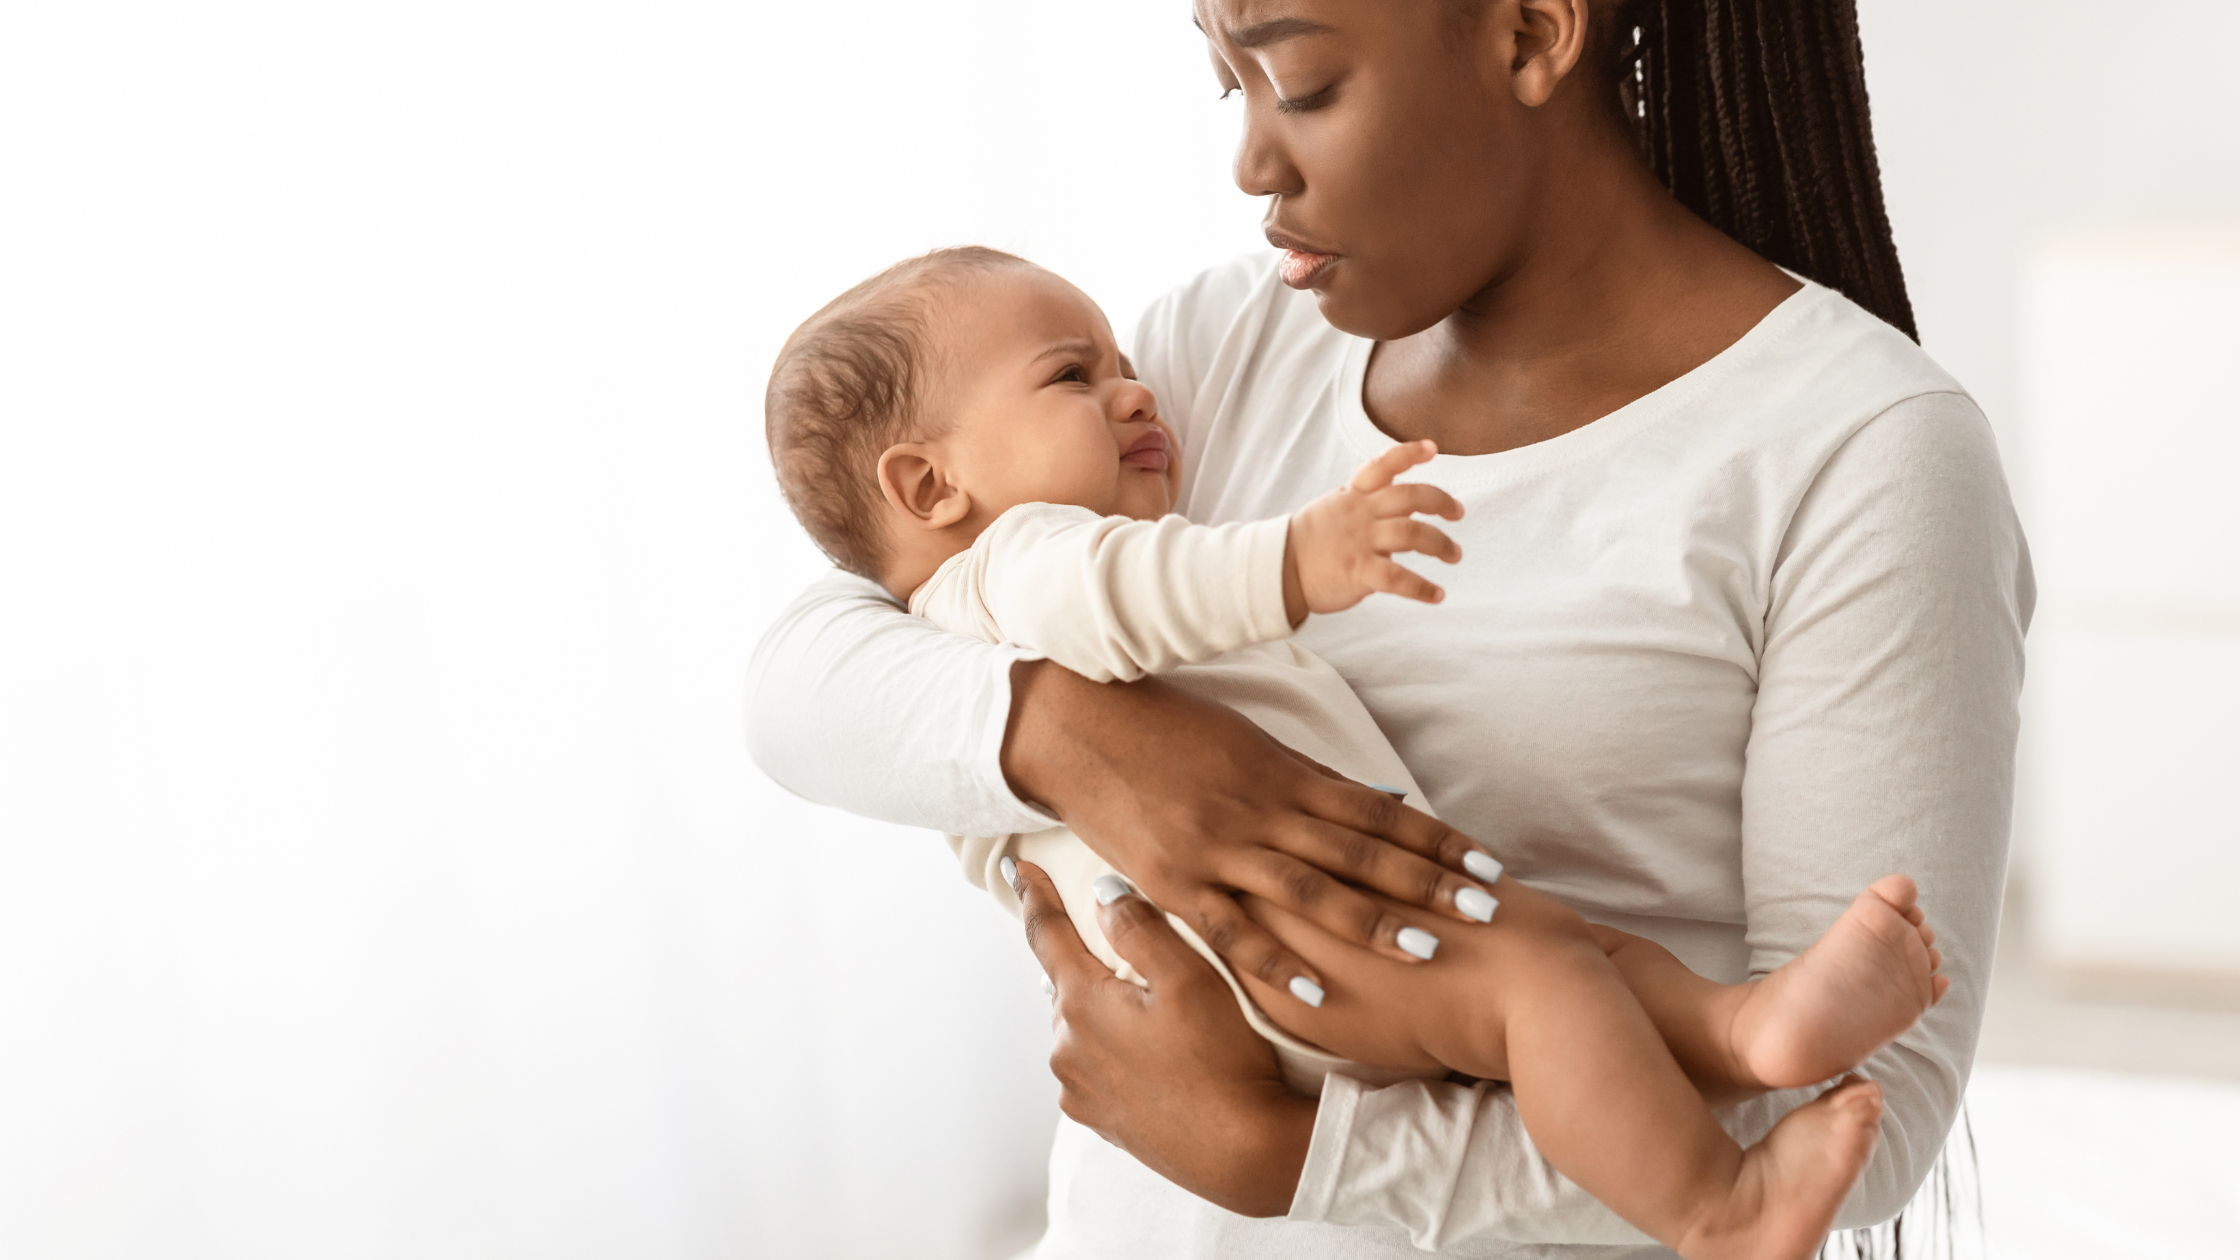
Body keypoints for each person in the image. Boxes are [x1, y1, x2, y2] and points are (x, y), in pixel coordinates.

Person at [748, 1, 2031, 1255]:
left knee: (1569, 970)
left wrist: (1288, 1153)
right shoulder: (1219, 348)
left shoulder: (1864, 454)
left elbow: (1867, 1110)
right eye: (1225, 85)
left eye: (1297, 82)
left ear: (1529, 34)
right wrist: (1078, 738)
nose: (1250, 160)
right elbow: (815, 668)